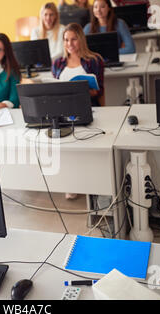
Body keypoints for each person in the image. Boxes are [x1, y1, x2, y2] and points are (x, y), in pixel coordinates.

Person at [51, 23, 104, 200]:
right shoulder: (58, 62)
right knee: (66, 149)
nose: (70, 43)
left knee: (87, 147)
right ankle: (73, 182)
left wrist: (79, 89)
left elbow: (98, 91)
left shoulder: (94, 60)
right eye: (66, 39)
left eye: (73, 39)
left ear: (81, 39)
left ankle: (93, 182)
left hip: (88, 109)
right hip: (64, 110)